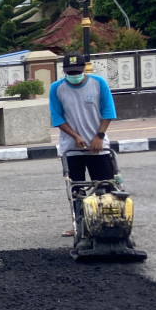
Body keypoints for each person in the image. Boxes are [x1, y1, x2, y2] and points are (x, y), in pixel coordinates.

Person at [49, 52, 118, 236]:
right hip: (72, 149)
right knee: (76, 190)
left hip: (99, 148)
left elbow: (108, 111)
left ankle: (108, 224)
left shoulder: (98, 83)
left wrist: (99, 136)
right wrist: (75, 136)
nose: (74, 76)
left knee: (105, 186)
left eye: (77, 72)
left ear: (84, 69)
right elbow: (57, 118)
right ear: (64, 71)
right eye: (70, 73)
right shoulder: (57, 88)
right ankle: (79, 225)